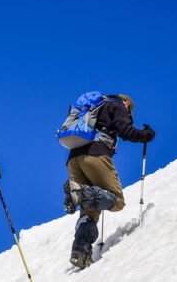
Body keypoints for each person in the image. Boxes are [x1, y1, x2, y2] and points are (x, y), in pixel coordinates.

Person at [63, 94, 155, 269]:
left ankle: (80, 253)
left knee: (89, 211)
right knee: (117, 201)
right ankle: (81, 192)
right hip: (95, 155)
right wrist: (146, 135)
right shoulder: (117, 105)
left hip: (73, 160)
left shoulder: (91, 108)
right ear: (127, 103)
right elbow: (126, 131)